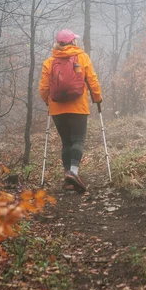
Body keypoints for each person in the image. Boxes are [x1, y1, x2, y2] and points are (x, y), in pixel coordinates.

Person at [39, 29, 102, 192]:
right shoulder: (82, 57)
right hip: (78, 107)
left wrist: (47, 100)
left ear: (58, 44)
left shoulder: (49, 62)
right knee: (78, 140)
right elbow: (92, 80)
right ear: (73, 42)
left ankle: (68, 177)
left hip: (57, 109)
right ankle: (73, 172)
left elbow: (44, 87)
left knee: (66, 142)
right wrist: (97, 97)